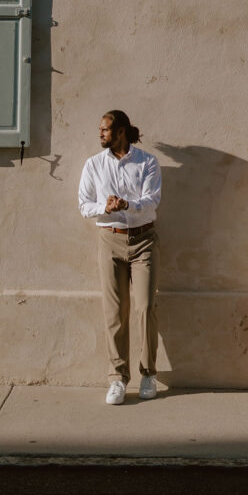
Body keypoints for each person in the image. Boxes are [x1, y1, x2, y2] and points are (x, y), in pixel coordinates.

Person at [78, 110, 161, 405]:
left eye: (105, 129)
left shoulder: (147, 161)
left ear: (121, 131)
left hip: (144, 240)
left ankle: (149, 373)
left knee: (145, 307)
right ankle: (118, 378)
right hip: (109, 240)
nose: (100, 134)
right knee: (115, 313)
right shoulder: (94, 164)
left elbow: (152, 201)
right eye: (100, 129)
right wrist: (107, 206)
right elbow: (84, 205)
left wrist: (129, 204)